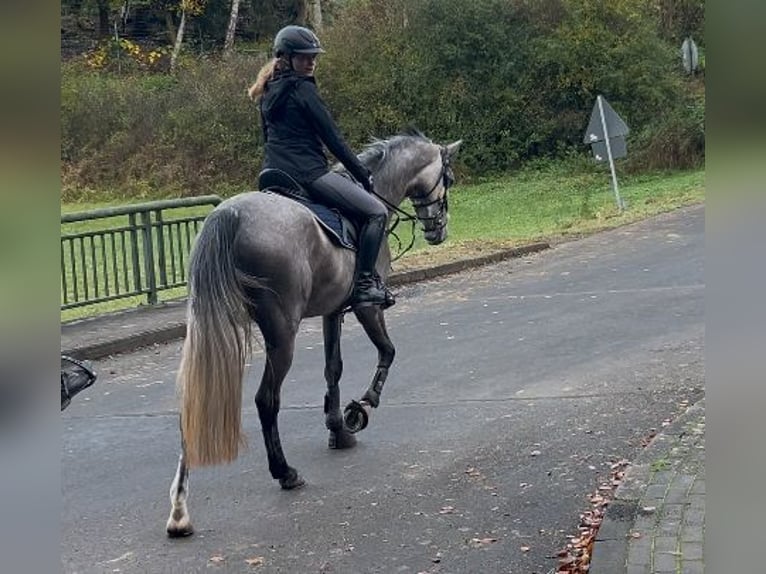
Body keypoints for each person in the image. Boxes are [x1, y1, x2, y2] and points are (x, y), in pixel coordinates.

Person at [248, 25, 393, 308]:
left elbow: (267, 138)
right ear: (287, 58)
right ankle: (364, 284)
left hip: (273, 174)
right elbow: (333, 140)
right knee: (376, 212)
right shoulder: (304, 90)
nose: (311, 61)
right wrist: (362, 175)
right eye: (304, 57)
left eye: (314, 56)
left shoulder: (267, 92)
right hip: (308, 173)